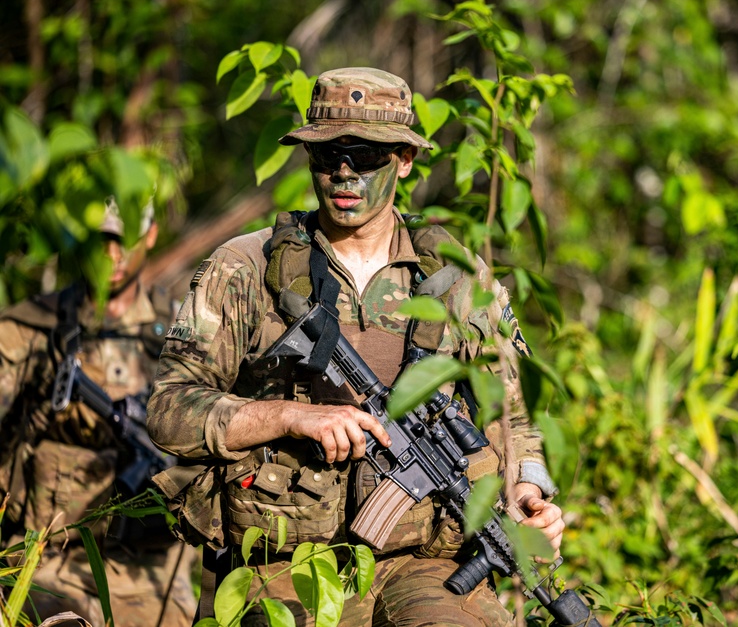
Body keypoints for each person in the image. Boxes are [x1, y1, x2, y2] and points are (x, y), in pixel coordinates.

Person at [147, 67, 564, 626]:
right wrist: (289, 417)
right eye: (327, 156)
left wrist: (529, 489)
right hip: (284, 559)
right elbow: (168, 410)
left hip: (424, 559)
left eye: (365, 157)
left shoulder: (458, 279)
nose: (344, 173)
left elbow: (514, 416)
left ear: (404, 160)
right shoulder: (244, 268)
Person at [0, 198, 197, 627]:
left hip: (150, 571)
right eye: (100, 239)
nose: (111, 256)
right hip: (46, 556)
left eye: (122, 239)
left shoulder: (186, 330)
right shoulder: (34, 327)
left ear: (150, 235)